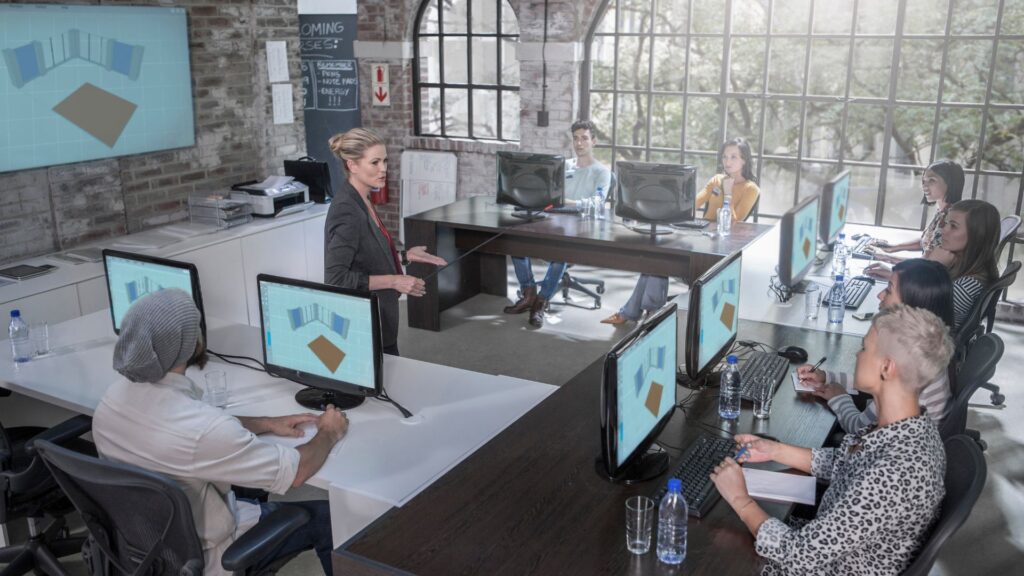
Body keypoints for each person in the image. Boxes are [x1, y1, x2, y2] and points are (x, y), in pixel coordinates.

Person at [93, 289, 345, 575]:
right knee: (330, 520)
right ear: (190, 345)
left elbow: (192, 430)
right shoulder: (206, 430)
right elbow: (298, 471)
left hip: (146, 544)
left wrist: (265, 423)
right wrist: (328, 431)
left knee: (249, 487)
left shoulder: (111, 400)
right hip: (205, 558)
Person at [710, 305, 953, 576]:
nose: (857, 355)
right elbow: (847, 463)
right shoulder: (909, 426)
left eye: (864, 349)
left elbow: (798, 555)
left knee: (709, 545)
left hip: (823, 566)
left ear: (887, 367)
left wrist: (740, 500)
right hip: (831, 551)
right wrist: (775, 450)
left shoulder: (895, 473)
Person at [601, 137, 759, 325]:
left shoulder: (751, 189)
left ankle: (637, 313)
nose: (727, 162)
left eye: (734, 157)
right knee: (657, 259)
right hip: (702, 239)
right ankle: (649, 312)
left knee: (657, 263)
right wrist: (667, 195)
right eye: (725, 157)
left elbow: (735, 224)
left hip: (719, 252)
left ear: (744, 160)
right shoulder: (717, 180)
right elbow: (691, 205)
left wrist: (729, 193)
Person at [324, 128, 446, 355]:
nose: (383, 169)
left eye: (385, 161)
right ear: (352, 165)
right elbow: (336, 278)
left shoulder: (362, 198)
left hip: (380, 319)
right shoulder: (347, 210)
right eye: (375, 162)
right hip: (362, 324)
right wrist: (394, 281)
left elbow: (365, 254)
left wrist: (403, 256)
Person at [797, 259, 953, 433]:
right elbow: (875, 378)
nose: (880, 295)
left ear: (910, 303)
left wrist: (838, 397)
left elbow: (859, 428)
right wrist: (827, 377)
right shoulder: (922, 350)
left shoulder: (902, 368)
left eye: (888, 290)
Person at [504, 120, 611, 328]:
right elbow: (548, 193)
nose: (579, 143)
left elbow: (597, 203)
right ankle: (528, 293)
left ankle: (540, 302)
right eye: (576, 138)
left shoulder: (602, 172)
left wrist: (565, 202)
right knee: (516, 241)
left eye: (585, 138)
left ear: (594, 141)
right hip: (553, 221)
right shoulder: (563, 166)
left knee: (560, 251)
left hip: (580, 228)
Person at [864, 160, 964, 280]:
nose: (924, 186)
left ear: (950, 183)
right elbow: (927, 240)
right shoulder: (943, 211)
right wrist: (894, 247)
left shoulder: (950, 220)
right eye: (923, 181)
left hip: (931, 281)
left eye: (932, 181)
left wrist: (886, 258)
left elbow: (926, 263)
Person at [929, 199, 1001, 330]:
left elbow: (911, 309)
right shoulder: (966, 267)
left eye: (953, 226)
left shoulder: (965, 287)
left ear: (977, 236)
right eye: (946, 223)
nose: (943, 230)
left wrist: (930, 266)